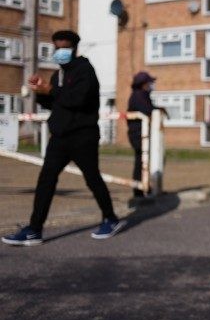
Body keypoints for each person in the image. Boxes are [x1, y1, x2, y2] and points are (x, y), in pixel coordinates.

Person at [2, 30, 124, 246]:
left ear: (74, 48)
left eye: (64, 48)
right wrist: (41, 91)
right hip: (59, 137)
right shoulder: (58, 75)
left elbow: (77, 99)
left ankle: (110, 218)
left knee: (92, 178)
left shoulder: (85, 70)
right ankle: (34, 230)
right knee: (45, 181)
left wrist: (51, 90)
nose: (60, 52)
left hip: (82, 136)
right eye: (56, 48)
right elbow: (54, 103)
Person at [127, 71, 166, 199]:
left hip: (143, 134)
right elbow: (147, 110)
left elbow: (150, 108)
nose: (151, 85)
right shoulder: (138, 95)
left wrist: (158, 109)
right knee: (141, 161)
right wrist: (156, 110)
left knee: (146, 161)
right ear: (143, 84)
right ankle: (139, 190)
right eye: (149, 82)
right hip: (138, 135)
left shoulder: (143, 95)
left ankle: (146, 186)